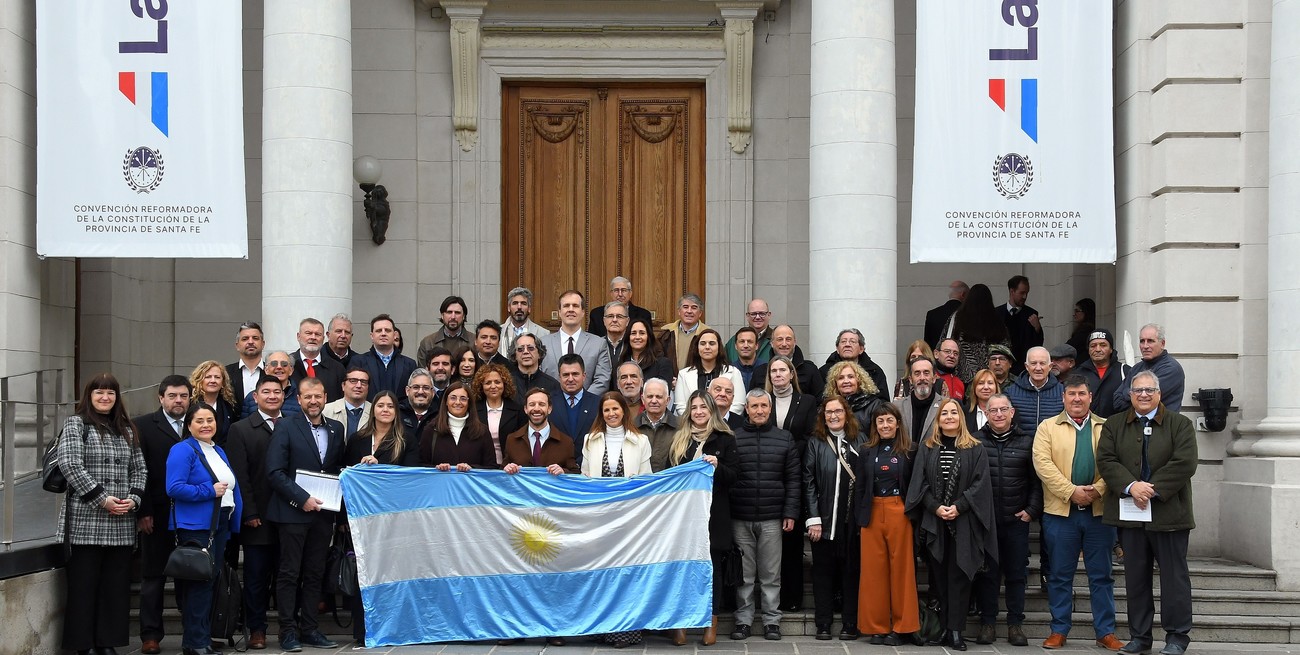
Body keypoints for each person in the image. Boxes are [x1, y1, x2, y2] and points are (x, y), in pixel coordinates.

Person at [1097, 372, 1198, 655]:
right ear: (1129, 394)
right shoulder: (1115, 424)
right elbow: (1106, 459)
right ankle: (1140, 637)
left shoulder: (1180, 424)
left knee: (1174, 578)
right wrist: (1131, 486)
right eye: (1138, 390)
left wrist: (1150, 489)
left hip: (1170, 515)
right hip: (1131, 516)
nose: (1143, 395)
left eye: (1149, 390)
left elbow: (1185, 462)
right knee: (1136, 579)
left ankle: (1177, 637)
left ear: (1159, 393)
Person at [57, 372, 147, 655]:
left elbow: (140, 468)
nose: (105, 397)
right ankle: (81, 645)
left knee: (114, 589)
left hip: (121, 521)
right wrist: (102, 499)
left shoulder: (128, 429)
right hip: (87, 520)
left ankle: (106, 642)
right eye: (99, 392)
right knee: (83, 587)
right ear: (89, 396)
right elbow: (70, 465)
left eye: (110, 392)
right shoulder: (76, 424)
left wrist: (132, 500)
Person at [1032, 375, 1123, 651]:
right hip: (1062, 513)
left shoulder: (1106, 428)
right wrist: (1071, 491)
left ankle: (1105, 632)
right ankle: (1059, 630)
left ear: (1090, 397)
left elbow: (1115, 463)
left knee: (1102, 575)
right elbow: (1042, 464)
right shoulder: (1047, 427)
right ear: (1063, 397)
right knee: (1060, 575)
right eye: (1071, 394)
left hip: (1098, 514)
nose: (1076, 399)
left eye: (1082, 394)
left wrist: (1097, 489)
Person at [905, 398, 997, 651]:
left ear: (960, 418)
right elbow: (919, 483)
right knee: (939, 578)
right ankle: (944, 628)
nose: (948, 417)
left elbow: (980, 485)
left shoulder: (975, 448)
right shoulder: (927, 447)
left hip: (964, 522)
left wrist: (959, 507)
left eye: (953, 413)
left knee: (959, 576)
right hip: (935, 522)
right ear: (938, 419)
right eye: (944, 413)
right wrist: (936, 507)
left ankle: (956, 630)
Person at [265, 377, 347, 652]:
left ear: (325, 398)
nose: (313, 401)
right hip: (292, 514)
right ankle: (287, 632)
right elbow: (275, 472)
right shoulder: (286, 426)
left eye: (318, 396)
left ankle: (310, 629)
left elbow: (336, 471)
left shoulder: (336, 429)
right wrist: (302, 499)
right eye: (307, 396)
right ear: (298, 399)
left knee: (315, 573)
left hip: (323, 515)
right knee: (289, 574)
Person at [166, 403, 244, 655]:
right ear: (189, 425)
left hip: (219, 523)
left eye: (210, 419)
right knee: (198, 585)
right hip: (196, 527)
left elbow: (231, 487)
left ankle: (202, 638)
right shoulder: (183, 449)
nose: (206, 425)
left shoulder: (217, 449)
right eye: (199, 420)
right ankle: (195, 642)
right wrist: (208, 491)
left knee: (209, 582)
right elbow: (174, 487)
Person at [665, 391, 739, 646]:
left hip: (714, 516)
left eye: (703, 408)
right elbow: (668, 477)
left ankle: (711, 622)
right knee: (684, 569)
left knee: (713, 570)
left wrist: (718, 466)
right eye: (694, 407)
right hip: (684, 519)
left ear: (711, 411)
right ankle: (682, 623)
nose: (698, 412)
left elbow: (734, 477)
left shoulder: (725, 439)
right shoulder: (679, 441)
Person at [729, 390, 801, 641]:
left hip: (772, 517)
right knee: (745, 576)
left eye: (763, 406)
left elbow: (793, 480)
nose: (759, 410)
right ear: (746, 409)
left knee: (771, 574)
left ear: (770, 409)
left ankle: (772, 621)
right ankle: (743, 621)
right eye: (754, 406)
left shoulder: (785, 438)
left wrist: (790, 511)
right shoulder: (733, 438)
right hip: (740, 516)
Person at [972, 393, 1041, 647]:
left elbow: (1036, 481)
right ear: (986, 414)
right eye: (994, 410)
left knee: (1015, 575)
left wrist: (1032, 510)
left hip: (1016, 520)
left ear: (1012, 412)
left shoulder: (1027, 441)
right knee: (987, 574)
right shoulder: (975, 441)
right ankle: (988, 623)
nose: (999, 414)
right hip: (986, 522)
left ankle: (1015, 625)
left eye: (1003, 410)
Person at [341, 390, 408, 646]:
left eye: (391, 406)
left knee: (393, 572)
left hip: (395, 518)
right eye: (381, 405)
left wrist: (379, 467)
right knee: (366, 573)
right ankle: (363, 629)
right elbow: (344, 475)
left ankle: (394, 626)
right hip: (363, 520)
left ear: (396, 411)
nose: (385, 410)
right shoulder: (358, 439)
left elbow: (410, 477)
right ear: (373, 410)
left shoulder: (406, 439)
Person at [223, 374, 285, 651]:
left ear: (284, 396)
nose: (272, 396)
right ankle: (256, 629)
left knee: (286, 575)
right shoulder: (241, 429)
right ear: (255, 397)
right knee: (256, 576)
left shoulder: (293, 425)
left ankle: (288, 627)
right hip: (257, 516)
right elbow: (240, 475)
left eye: (277, 391)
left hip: (289, 516)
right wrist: (248, 512)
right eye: (266, 392)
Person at [135, 375, 193, 655]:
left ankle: (191, 634)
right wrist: (143, 510)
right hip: (155, 515)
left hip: (190, 515)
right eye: (172, 396)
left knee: (188, 574)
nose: (178, 401)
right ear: (161, 398)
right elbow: (139, 470)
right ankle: (150, 635)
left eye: (183, 396)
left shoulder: (198, 424)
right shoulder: (144, 426)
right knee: (153, 577)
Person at [854, 403, 918, 646]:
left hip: (899, 511)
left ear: (898, 423)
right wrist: (860, 519)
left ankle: (903, 627)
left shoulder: (910, 450)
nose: (885, 425)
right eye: (880, 421)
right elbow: (860, 487)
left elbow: (915, 485)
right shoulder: (867, 451)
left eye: (889, 420)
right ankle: (877, 626)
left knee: (902, 572)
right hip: (872, 512)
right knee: (873, 573)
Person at [803, 395, 866, 641]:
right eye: (828, 412)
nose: (833, 416)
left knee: (851, 572)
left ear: (846, 413)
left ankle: (850, 622)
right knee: (822, 573)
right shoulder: (815, 442)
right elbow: (808, 481)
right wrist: (813, 518)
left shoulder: (860, 440)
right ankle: (823, 624)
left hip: (851, 521)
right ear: (823, 416)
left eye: (838, 411)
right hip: (824, 520)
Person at [764, 355, 818, 612]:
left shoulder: (806, 401)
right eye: (773, 371)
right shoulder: (764, 402)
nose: (777, 375)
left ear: (791, 374)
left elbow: (810, 436)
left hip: (795, 473)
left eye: (782, 370)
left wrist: (784, 449)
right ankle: (766, 600)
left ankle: (792, 598)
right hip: (768, 476)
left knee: (792, 540)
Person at [540, 290, 613, 392]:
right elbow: (538, 378)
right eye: (566, 306)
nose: (571, 309)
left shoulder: (599, 344)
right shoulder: (543, 343)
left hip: (587, 405)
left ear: (583, 312)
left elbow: (602, 380)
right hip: (551, 404)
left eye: (575, 306)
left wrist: (583, 401)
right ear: (560, 312)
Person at [418, 381, 498, 469]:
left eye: (463, 398)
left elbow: (491, 467)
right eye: (453, 398)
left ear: (469, 403)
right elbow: (421, 465)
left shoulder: (482, 431)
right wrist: (436, 469)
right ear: (446, 401)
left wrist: (471, 468)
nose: (458, 402)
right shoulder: (431, 430)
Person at [502, 387, 580, 476]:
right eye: (532, 404)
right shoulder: (512, 440)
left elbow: (575, 474)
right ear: (525, 409)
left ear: (549, 409)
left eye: (541, 404)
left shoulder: (566, 442)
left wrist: (563, 472)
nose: (536, 408)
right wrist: (507, 469)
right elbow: (502, 474)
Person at [1113, 324, 1186, 413]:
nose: (1145, 346)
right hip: (1135, 425)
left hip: (1163, 425)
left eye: (1150, 341)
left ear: (1162, 344)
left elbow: (1147, 400)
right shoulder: (1137, 368)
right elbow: (1117, 402)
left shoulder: (1171, 369)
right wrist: (1133, 395)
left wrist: (1128, 392)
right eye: (1142, 341)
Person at [580, 392, 653, 480]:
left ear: (623, 411)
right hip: (598, 493)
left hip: (631, 493)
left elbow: (646, 478)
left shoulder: (642, 441)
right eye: (606, 410)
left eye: (615, 409)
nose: (611, 414)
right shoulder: (589, 440)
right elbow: (584, 476)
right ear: (602, 414)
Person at [673, 328, 746, 416]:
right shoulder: (684, 374)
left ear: (719, 347)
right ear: (697, 348)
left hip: (725, 426)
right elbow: (681, 407)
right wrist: (698, 420)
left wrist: (718, 421)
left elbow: (738, 405)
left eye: (712, 343)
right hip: (693, 426)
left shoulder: (734, 372)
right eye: (703, 344)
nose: (707, 347)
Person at [953, 283, 1012, 384]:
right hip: (990, 378)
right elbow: (1006, 349)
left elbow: (947, 342)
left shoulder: (958, 320)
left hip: (964, 377)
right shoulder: (997, 322)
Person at [353, 313, 417, 402]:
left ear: (394, 335)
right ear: (372, 336)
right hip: (369, 414)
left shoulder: (409, 364)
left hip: (401, 414)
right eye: (379, 331)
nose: (383, 334)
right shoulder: (358, 362)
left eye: (387, 330)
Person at [548, 354, 602, 459]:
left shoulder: (598, 403)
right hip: (556, 467)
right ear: (559, 377)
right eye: (566, 375)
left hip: (589, 465)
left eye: (575, 374)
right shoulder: (548, 402)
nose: (570, 379)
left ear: (584, 376)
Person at [750, 325, 824, 396]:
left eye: (788, 339)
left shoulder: (810, 370)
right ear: (772, 343)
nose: (784, 344)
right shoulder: (760, 372)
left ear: (794, 342)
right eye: (780, 339)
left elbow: (820, 402)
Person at [473, 362, 524, 464]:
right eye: (488, 383)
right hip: (480, 467)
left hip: (510, 467)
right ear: (481, 386)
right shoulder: (473, 410)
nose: (493, 386)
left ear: (504, 384)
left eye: (497, 382)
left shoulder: (518, 410)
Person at [1006, 346, 1065, 436]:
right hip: (1020, 448)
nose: (1038, 368)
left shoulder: (1063, 392)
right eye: (1033, 363)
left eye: (1042, 363)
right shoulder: (1010, 393)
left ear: (1050, 367)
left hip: (1052, 447)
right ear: (1026, 366)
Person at [818, 328, 889, 400]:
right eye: (843, 341)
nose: (847, 345)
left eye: (852, 342)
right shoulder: (824, 372)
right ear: (837, 349)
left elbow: (883, 402)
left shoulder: (874, 371)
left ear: (861, 349)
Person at [290, 317, 346, 403]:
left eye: (317, 334)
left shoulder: (337, 368)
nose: (313, 337)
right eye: (308, 333)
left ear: (323, 339)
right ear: (298, 336)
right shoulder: (287, 365)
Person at [997, 275, 1044, 374]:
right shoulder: (997, 313)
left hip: (1023, 369)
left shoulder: (1031, 314)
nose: (1025, 297)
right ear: (1012, 291)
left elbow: (1037, 345)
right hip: (1001, 366)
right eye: (1022, 293)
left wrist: (1037, 328)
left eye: (1027, 293)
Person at [1078, 329, 1127, 418]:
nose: (1097, 349)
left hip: (1117, 428)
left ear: (1111, 349)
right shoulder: (1078, 374)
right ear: (1088, 350)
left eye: (1103, 345)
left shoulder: (1125, 371)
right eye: (1093, 346)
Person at [895, 357, 944, 445]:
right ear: (910, 379)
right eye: (917, 373)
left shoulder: (945, 405)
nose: (922, 378)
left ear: (934, 378)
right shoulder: (897, 407)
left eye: (926, 373)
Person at [189, 360, 239, 445]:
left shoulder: (229, 405)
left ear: (223, 382)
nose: (213, 380)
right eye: (208, 377)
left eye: (217, 377)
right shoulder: (190, 404)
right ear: (199, 380)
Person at [823, 360, 885, 428]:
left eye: (851, 377)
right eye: (840, 378)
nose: (846, 381)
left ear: (859, 380)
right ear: (835, 383)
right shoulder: (827, 405)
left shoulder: (874, 405)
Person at [659, 292, 711, 372]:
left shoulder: (708, 334)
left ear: (700, 313)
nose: (689, 311)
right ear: (679, 311)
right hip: (670, 381)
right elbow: (657, 359)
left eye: (694, 308)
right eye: (685, 307)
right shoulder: (666, 333)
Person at [587, 276, 653, 337]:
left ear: (630, 293)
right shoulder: (596, 314)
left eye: (624, 290)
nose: (620, 294)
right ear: (611, 294)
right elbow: (592, 340)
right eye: (616, 290)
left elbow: (648, 340)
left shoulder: (644, 315)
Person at [242, 351, 301, 418]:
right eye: (274, 364)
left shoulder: (301, 396)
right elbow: (244, 426)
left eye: (284, 364)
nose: (279, 367)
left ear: (291, 370)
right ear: (266, 369)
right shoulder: (251, 398)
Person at [416, 295, 471, 366]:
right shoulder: (427, 343)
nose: (453, 317)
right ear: (442, 315)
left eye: (457, 313)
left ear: (463, 316)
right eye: (449, 312)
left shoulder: (474, 342)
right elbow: (423, 373)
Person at [638, 378, 679, 471]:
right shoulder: (632, 427)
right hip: (641, 483)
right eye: (650, 396)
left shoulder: (681, 427)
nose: (654, 400)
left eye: (659, 397)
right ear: (643, 399)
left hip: (671, 483)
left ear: (667, 400)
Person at [620, 317, 675, 385]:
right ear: (628, 337)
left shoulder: (662, 364)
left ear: (648, 337)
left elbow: (663, 392)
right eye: (633, 333)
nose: (637, 337)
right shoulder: (620, 364)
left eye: (642, 333)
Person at [322, 364, 371, 438]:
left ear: (368, 387)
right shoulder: (326, 411)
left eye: (363, 382)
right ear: (343, 386)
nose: (358, 385)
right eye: (353, 381)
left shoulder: (375, 412)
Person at [508, 332, 560, 402]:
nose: (526, 352)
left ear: (539, 353)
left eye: (531, 348)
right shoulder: (507, 383)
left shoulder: (553, 385)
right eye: (520, 349)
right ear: (515, 355)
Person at [500, 286, 552, 355]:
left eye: (523, 303)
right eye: (515, 303)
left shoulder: (543, 333)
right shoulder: (499, 331)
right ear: (509, 308)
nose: (519, 307)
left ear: (529, 308)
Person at [226, 321, 265, 410]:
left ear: (263, 344)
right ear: (237, 345)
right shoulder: (225, 373)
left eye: (255, 338)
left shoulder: (271, 372)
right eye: (245, 339)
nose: (250, 342)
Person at [725, 299, 776, 366]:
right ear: (747, 316)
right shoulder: (733, 342)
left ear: (769, 315)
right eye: (753, 314)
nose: (758, 317)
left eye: (762, 314)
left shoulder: (777, 340)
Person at [399, 368, 439, 452]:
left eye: (426, 388)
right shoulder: (396, 414)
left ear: (433, 393)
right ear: (407, 391)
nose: (420, 392)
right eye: (416, 387)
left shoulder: (440, 416)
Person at [925, 280, 969, 348]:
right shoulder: (969, 314)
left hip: (937, 356)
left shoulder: (932, 314)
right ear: (963, 294)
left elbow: (927, 344)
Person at [964, 369, 999, 434]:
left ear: (996, 387)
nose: (986, 387)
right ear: (974, 388)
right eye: (981, 383)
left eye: (990, 383)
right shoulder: (964, 412)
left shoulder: (1007, 411)